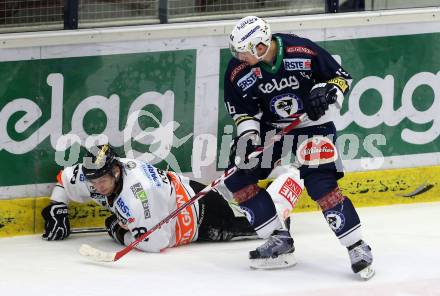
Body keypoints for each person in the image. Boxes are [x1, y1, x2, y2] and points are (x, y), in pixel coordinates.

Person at [219, 15, 374, 278]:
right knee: (239, 177)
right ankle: (278, 241)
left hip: (314, 125)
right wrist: (248, 138)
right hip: (273, 127)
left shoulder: (301, 49)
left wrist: (326, 93)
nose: (237, 56)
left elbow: (341, 78)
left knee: (320, 185)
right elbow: (243, 113)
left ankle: (357, 247)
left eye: (242, 50)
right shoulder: (237, 71)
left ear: (260, 46)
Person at [41, 144, 301, 253]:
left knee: (271, 222)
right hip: (179, 194)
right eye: (93, 182)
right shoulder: (94, 172)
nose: (97, 187)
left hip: (202, 217)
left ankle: (295, 173)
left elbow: (156, 243)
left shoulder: (138, 195)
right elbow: (63, 179)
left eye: (102, 181)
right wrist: (57, 206)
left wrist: (117, 232)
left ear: (116, 170)